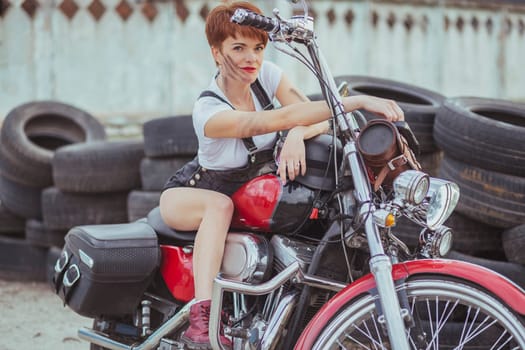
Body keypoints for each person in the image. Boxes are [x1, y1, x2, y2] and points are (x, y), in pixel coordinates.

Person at [159, 1, 404, 349]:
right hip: (194, 189)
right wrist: (356, 101)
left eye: (258, 47)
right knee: (218, 207)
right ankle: (201, 317)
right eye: (238, 48)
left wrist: (296, 135)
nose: (251, 58)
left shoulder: (267, 76)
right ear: (216, 53)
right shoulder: (208, 108)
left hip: (248, 186)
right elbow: (269, 121)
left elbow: (312, 116)